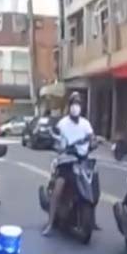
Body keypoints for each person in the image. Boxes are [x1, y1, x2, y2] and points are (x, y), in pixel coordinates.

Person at [43, 91, 94, 236]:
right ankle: (50, 223)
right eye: (73, 103)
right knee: (58, 189)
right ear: (69, 106)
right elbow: (56, 139)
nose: (75, 107)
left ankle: (92, 220)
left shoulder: (86, 124)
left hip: (82, 161)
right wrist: (59, 146)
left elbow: (92, 137)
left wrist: (94, 141)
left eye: (78, 104)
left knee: (92, 183)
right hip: (66, 162)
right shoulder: (63, 123)